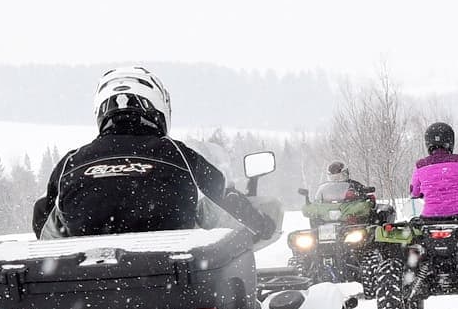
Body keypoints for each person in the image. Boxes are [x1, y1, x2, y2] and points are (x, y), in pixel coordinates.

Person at [32, 67, 276, 240]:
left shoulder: (70, 162)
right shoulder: (179, 154)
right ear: (158, 107)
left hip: (84, 289)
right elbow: (223, 195)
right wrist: (262, 224)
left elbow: (44, 222)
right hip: (176, 280)